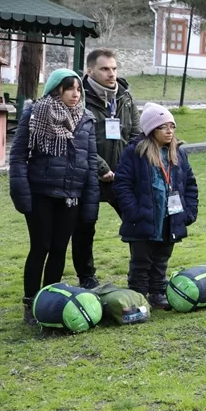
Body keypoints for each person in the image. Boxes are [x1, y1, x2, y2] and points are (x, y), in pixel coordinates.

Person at [9, 69, 99, 325]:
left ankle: (49, 301)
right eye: (69, 88)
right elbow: (18, 157)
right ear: (55, 89)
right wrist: (21, 194)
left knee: (59, 249)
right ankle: (30, 302)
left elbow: (90, 164)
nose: (75, 94)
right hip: (41, 194)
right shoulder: (35, 113)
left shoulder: (86, 119)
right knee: (41, 247)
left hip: (71, 196)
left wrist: (90, 202)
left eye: (78, 89)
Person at [113, 104, 199, 309]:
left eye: (172, 126)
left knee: (161, 258)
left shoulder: (178, 153)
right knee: (141, 261)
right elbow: (122, 184)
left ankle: (157, 292)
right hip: (144, 218)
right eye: (164, 127)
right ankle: (138, 295)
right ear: (151, 130)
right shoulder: (135, 153)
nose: (170, 131)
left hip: (170, 217)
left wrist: (188, 212)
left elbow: (190, 184)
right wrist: (133, 211)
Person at [73, 48, 138, 288]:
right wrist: (101, 167)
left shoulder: (125, 96)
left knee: (137, 222)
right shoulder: (77, 97)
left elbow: (136, 134)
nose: (111, 74)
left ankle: (140, 274)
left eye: (114, 68)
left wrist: (128, 168)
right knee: (84, 228)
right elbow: (79, 139)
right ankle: (87, 277)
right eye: (104, 69)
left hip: (122, 176)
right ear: (89, 71)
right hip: (89, 176)